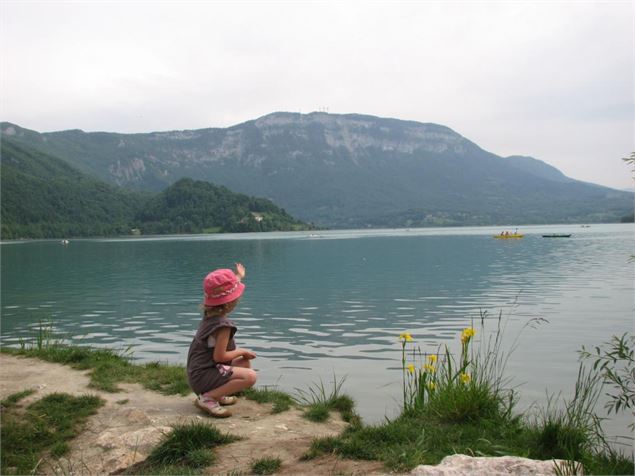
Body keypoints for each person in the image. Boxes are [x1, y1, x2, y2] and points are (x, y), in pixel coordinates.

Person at [187, 263, 257, 417]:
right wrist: (242, 351)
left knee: (244, 364)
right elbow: (219, 357)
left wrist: (238, 276)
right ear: (230, 302)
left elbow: (221, 290)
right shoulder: (223, 327)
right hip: (203, 376)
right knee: (250, 376)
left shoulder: (209, 316)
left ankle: (217, 394)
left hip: (197, 373)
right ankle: (208, 398)